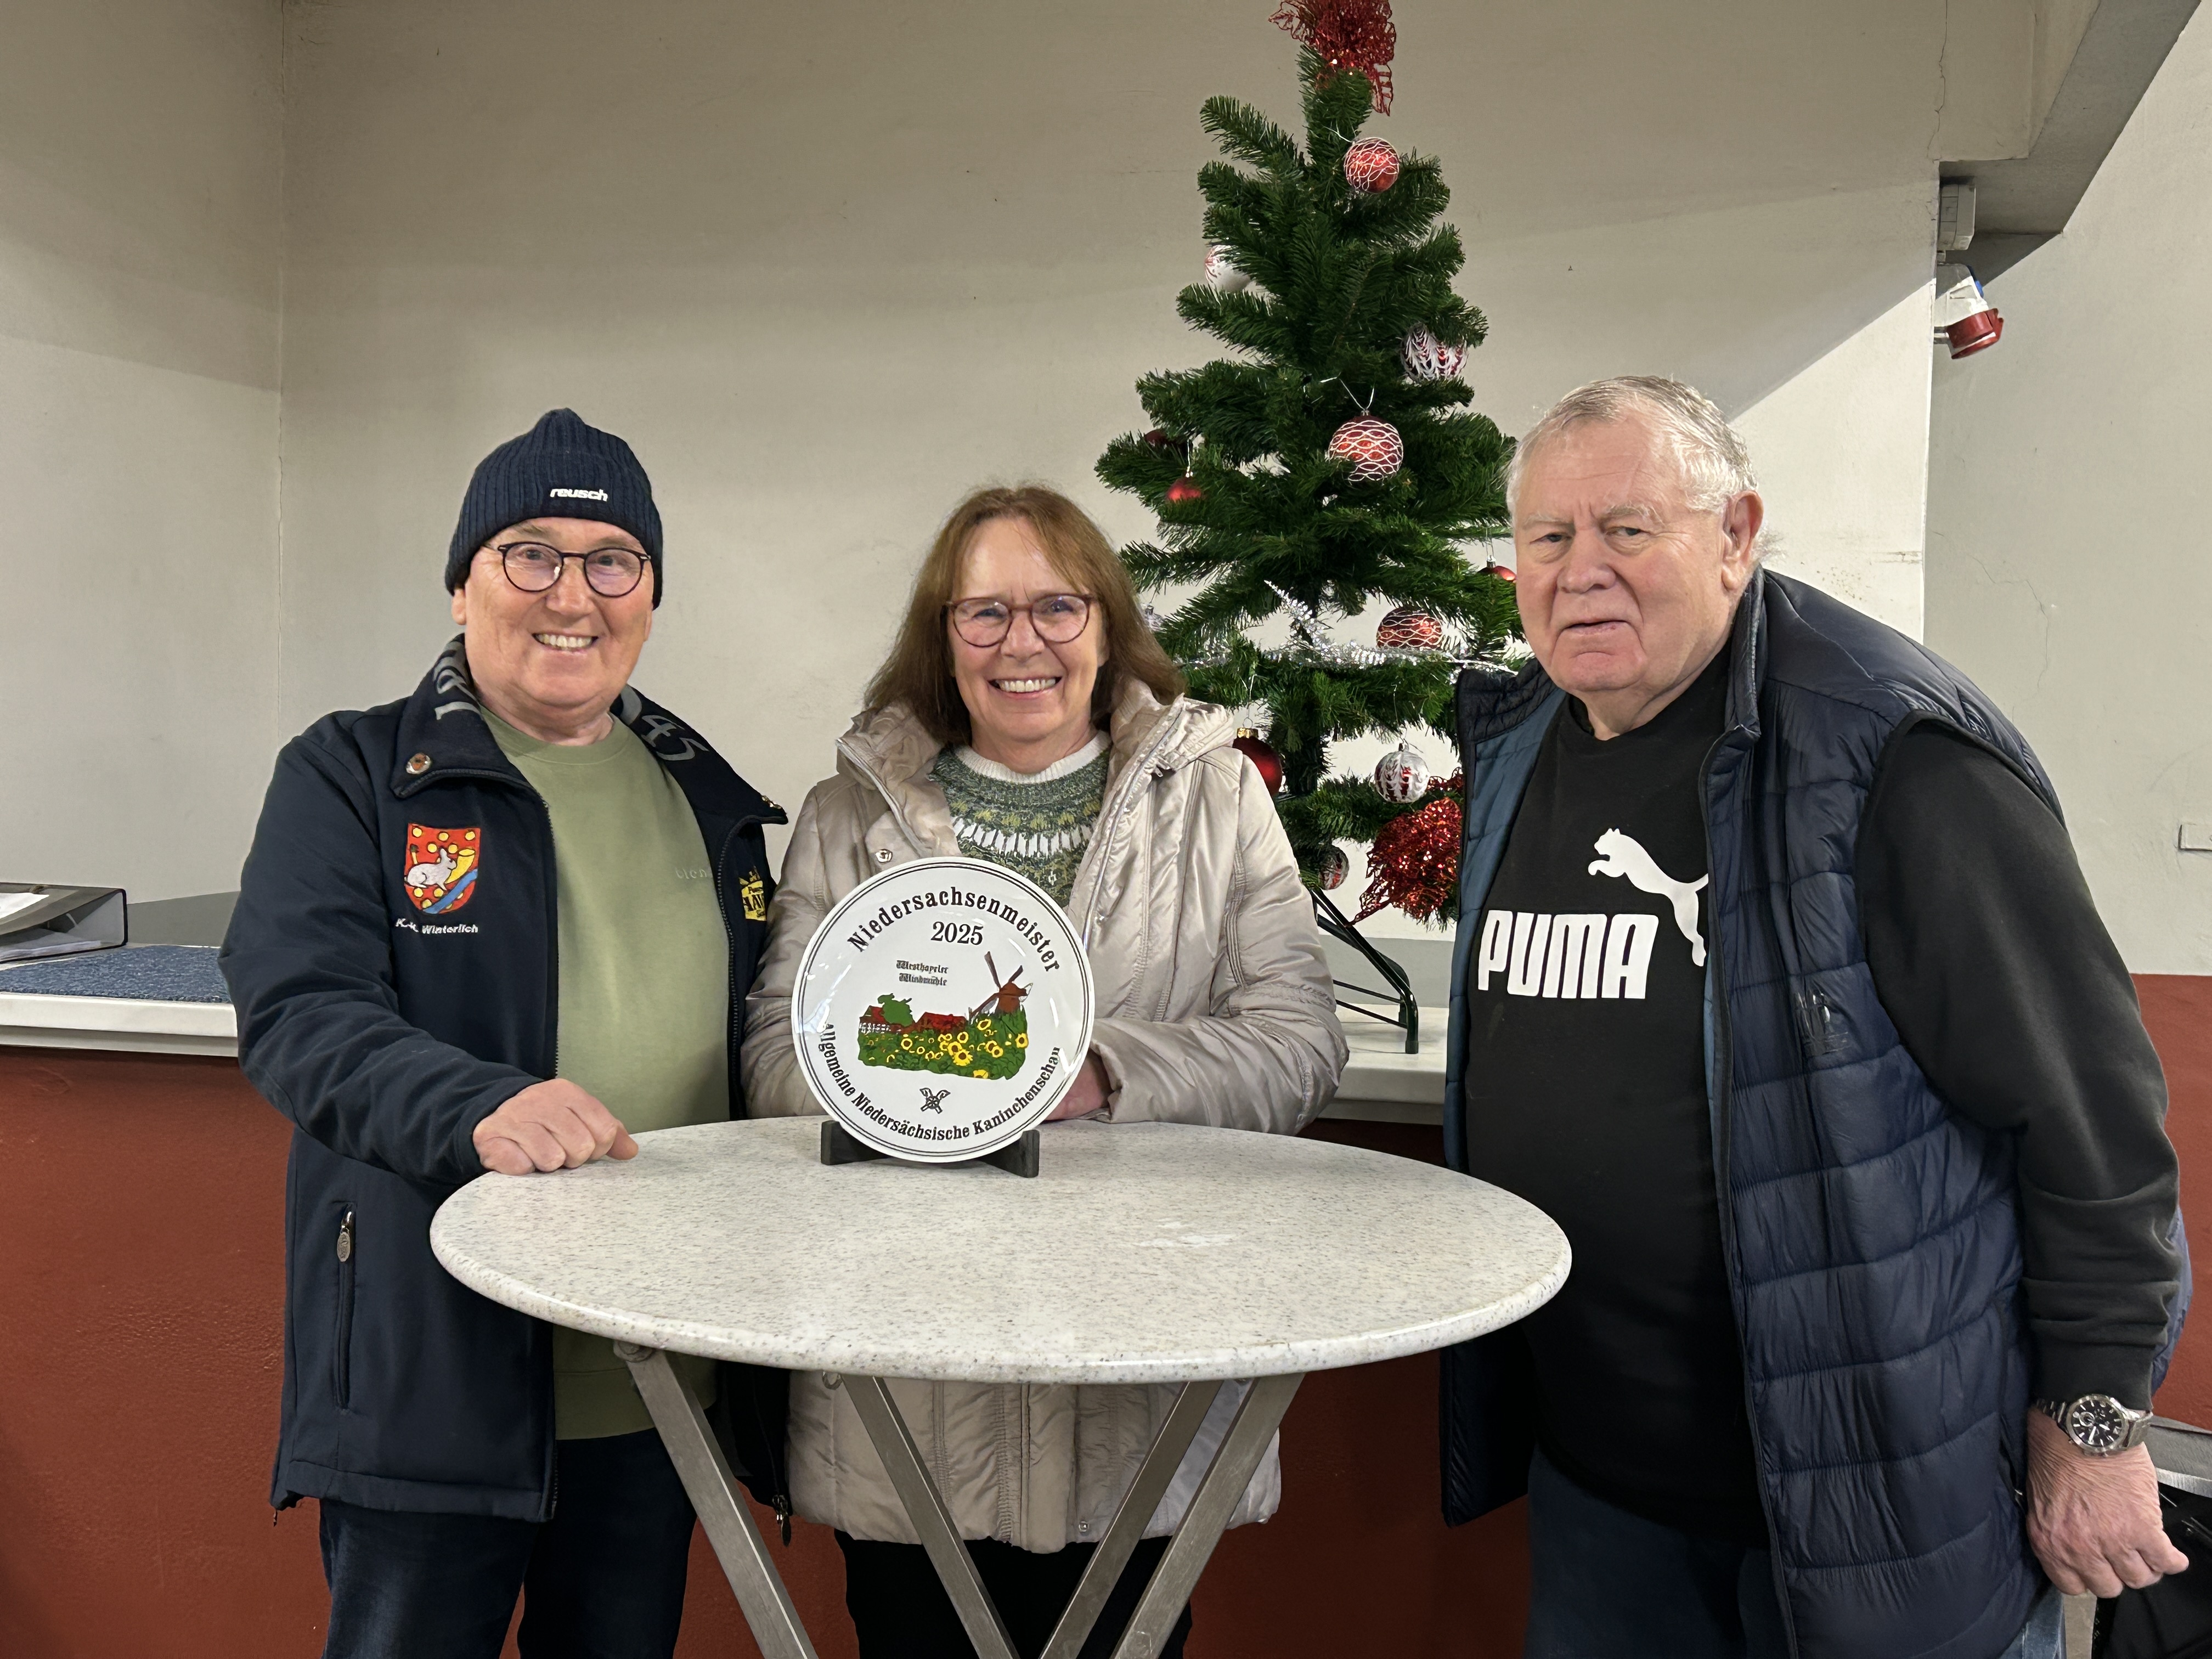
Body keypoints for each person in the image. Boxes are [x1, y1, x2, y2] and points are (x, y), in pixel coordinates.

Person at [1440, 377, 2190, 1659]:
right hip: (1602, 1492)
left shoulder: (1889, 749)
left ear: (1736, 533)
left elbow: (2091, 1121)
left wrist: (2099, 1420)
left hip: (1870, 1505)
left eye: (1629, 529)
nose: (1581, 572)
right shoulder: (1520, 742)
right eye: (1548, 537)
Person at [742, 484, 1347, 1658]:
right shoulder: (843, 816)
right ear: (944, 638)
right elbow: (775, 1054)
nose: (1022, 642)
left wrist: (1099, 1071)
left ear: (1107, 625)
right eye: (985, 613)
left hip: (1138, 1381)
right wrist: (927, 1086)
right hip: (908, 1388)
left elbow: (1298, 1045)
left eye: (1057, 607)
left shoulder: (1219, 797)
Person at [221, 409, 787, 1659]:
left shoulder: (714, 797)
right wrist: (476, 1105)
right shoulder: (354, 773)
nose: (571, 595)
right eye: (530, 553)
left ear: (650, 598)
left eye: (612, 561)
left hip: (656, 1380)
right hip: (432, 1375)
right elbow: (300, 1014)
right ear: (462, 582)